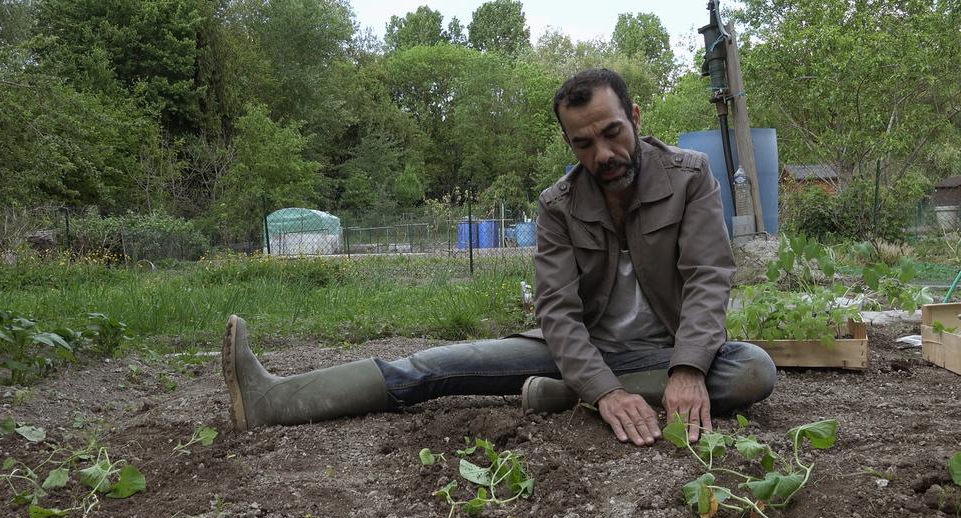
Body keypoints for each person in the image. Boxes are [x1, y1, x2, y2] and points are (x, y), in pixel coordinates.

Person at [222, 68, 776, 445]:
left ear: (634, 115)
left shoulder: (689, 176)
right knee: (432, 367)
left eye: (612, 133)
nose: (603, 154)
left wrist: (685, 369)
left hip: (666, 351)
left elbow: (709, 276)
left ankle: (563, 399)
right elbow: (557, 312)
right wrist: (602, 388)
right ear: (569, 143)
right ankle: (273, 400)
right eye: (584, 144)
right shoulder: (557, 206)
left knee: (751, 370)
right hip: (576, 353)